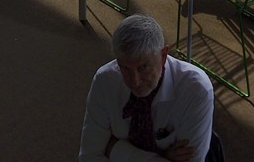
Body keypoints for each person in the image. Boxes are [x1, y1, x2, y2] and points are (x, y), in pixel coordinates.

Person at [79, 14, 213, 162]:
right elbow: (88, 157)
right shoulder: (105, 80)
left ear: (163, 56)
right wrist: (162, 157)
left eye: (143, 67)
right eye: (124, 68)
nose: (134, 81)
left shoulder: (196, 90)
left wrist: (114, 149)